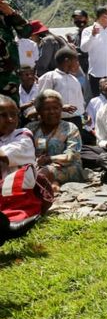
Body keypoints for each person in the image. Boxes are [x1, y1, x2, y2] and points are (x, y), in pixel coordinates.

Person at [0, 94, 53, 244]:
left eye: (14, 114)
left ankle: (8, 227)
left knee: (15, 215)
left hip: (16, 195)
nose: (10, 119)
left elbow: (5, 155)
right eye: (3, 115)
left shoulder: (22, 135)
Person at [27, 90, 85, 191]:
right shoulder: (32, 128)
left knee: (44, 173)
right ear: (39, 111)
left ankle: (51, 183)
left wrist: (49, 159)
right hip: (37, 166)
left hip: (66, 166)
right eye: (46, 109)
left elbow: (71, 156)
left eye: (56, 108)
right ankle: (52, 183)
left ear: (61, 109)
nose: (52, 112)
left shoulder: (70, 128)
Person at [36, 47, 85, 131]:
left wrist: (84, 115)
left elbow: (80, 101)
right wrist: (61, 107)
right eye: (76, 61)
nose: (78, 64)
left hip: (76, 120)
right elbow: (42, 101)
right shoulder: (50, 77)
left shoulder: (74, 79)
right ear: (67, 61)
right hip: (57, 120)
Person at [81, 6, 107, 96]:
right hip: (97, 74)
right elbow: (84, 48)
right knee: (99, 102)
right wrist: (92, 36)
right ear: (103, 16)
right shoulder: (88, 31)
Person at [0, 0, 33, 105]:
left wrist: (11, 12)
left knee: (10, 111)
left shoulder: (6, 1)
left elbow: (26, 32)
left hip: (7, 73)